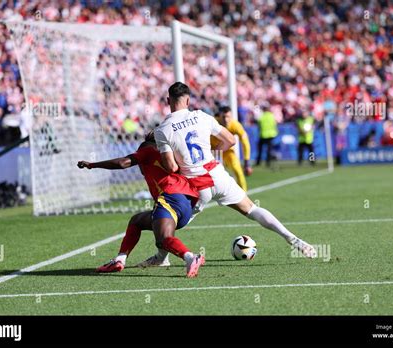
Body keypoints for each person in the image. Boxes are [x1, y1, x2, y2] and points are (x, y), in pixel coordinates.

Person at [146, 82, 316, 266]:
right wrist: (216, 148)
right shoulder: (201, 116)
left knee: (169, 219)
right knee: (252, 209)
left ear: (167, 100)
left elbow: (171, 167)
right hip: (217, 175)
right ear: (188, 100)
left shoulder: (162, 129)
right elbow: (230, 140)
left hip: (196, 186)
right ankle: (293, 240)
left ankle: (162, 258)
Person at [77, 134, 205, 278]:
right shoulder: (172, 154)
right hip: (187, 204)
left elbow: (122, 163)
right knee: (137, 221)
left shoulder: (148, 149)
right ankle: (120, 260)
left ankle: (190, 257)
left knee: (163, 239)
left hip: (170, 197)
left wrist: (92, 165)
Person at [210, 106, 252, 191]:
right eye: (224, 117)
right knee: (212, 175)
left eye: (228, 117)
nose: (226, 119)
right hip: (212, 151)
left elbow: (245, 142)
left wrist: (247, 162)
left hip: (227, 151)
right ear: (219, 116)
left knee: (238, 170)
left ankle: (244, 195)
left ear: (231, 116)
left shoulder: (235, 125)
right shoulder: (213, 122)